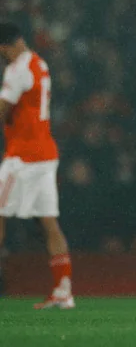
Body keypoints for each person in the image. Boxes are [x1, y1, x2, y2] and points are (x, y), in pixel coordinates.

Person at [0, 21, 74, 310]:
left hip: (22, 157)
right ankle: (63, 290)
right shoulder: (40, 64)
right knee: (49, 223)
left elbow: (3, 110)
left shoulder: (16, 70)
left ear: (6, 46)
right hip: (45, 154)